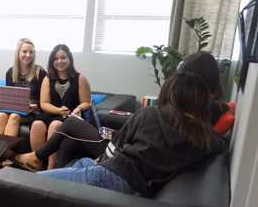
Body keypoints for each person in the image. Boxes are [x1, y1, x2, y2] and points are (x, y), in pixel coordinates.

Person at [15, 51, 234, 171]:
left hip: (120, 154)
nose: (177, 79)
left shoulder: (208, 108)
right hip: (127, 146)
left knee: (71, 124)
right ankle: (47, 169)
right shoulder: (208, 107)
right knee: (68, 139)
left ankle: (36, 158)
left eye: (181, 73)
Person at [37, 72, 226, 198]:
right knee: (81, 163)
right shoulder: (203, 137)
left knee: (28, 182)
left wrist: (99, 161)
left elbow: (112, 151)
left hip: (111, 175)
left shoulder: (151, 113)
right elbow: (220, 140)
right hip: (134, 185)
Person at [29, 44, 91, 169]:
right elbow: (44, 103)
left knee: (55, 125)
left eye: (63, 58)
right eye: (56, 59)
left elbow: (86, 102)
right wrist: (58, 110)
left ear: (69, 59)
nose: (59, 61)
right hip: (51, 113)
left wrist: (78, 108)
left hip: (71, 116)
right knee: (37, 125)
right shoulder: (48, 78)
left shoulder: (80, 78)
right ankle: (37, 164)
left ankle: (51, 167)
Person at [0, 38, 47, 136]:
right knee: (2, 115)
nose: (28, 55)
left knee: (14, 117)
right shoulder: (10, 72)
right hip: (15, 109)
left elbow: (46, 100)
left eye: (31, 52)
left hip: (33, 112)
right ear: (18, 52)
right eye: (24, 51)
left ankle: (7, 150)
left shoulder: (40, 73)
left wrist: (36, 106)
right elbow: (9, 99)